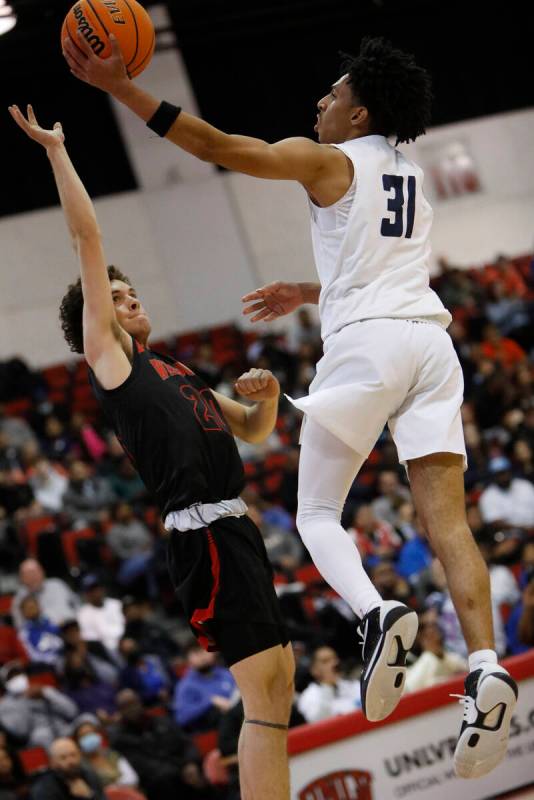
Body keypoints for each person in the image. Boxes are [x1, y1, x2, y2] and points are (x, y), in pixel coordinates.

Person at [59, 32, 516, 779]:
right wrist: (311, 292)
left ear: (360, 112)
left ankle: (377, 616)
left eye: (333, 95)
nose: (320, 103)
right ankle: (485, 665)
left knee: (314, 516)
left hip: (371, 345)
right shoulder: (411, 174)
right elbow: (386, 266)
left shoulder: (327, 158)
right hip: (432, 347)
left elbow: (216, 144)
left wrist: (121, 87)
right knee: (449, 521)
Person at [10, 104, 294, 800]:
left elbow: (257, 432)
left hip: (238, 525)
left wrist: (268, 389)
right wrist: (56, 151)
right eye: (116, 296)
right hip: (204, 534)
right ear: (94, 324)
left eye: (133, 293)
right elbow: (87, 233)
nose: (130, 299)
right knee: (263, 696)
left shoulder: (176, 370)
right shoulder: (112, 365)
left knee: (280, 684)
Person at [0, 663, 77, 749]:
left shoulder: (41, 689)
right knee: (44, 736)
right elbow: (22, 731)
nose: (17, 679)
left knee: (86, 720)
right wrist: (24, 700)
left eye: (18, 675)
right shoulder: (4, 705)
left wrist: (46, 694)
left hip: (61, 727)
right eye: (11, 678)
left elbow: (72, 711)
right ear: (4, 683)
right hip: (38, 736)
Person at [173, 642, 237, 733]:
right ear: (187, 660)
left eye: (204, 650)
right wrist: (210, 702)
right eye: (196, 652)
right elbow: (182, 718)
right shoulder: (185, 686)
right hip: (213, 733)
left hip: (241, 724)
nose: (202, 655)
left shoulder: (226, 673)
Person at [71, 713, 139, 791]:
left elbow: (132, 778)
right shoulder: (81, 766)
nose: (89, 737)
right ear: (77, 741)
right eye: (84, 735)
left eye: (91, 733)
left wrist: (116, 788)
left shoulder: (111, 754)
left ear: (98, 734)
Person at [297, 645, 360, 723]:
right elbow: (316, 721)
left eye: (334, 658)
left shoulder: (353, 685)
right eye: (326, 661)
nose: (334, 663)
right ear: (314, 670)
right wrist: (327, 685)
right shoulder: (308, 696)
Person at [30, 737, 105, 800]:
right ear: (52, 762)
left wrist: (89, 795)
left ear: (80, 755)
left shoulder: (90, 776)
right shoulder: (44, 788)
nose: (70, 761)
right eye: (63, 758)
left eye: (73, 755)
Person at [12, 560, 79, 629]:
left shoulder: (57, 584)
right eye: (28, 574)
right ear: (22, 578)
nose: (33, 577)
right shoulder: (20, 598)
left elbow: (77, 604)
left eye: (34, 572)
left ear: (42, 572)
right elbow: (20, 626)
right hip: (47, 634)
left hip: (74, 627)